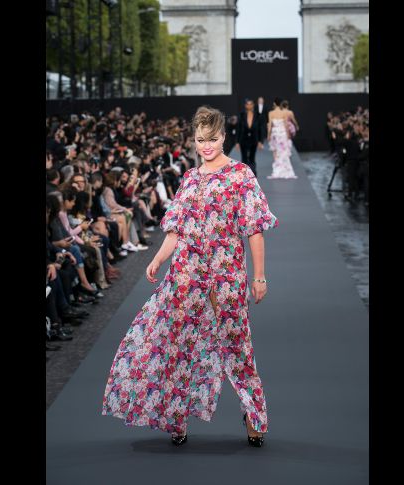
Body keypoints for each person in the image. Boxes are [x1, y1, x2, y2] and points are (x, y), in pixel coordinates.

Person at [101, 105, 278, 448]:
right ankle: (175, 417)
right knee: (179, 350)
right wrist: (156, 259)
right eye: (200, 139)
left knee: (238, 349)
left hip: (226, 277)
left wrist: (260, 278)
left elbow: (255, 231)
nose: (206, 146)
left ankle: (255, 416)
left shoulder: (241, 176)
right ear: (193, 139)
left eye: (212, 139)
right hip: (185, 275)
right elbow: (176, 231)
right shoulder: (190, 178)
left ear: (223, 137)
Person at [266, 98, 298, 179]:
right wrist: (288, 135)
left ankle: (277, 169)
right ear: (280, 104)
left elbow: (270, 125)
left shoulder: (271, 113)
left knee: (276, 151)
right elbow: (286, 125)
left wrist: (268, 135)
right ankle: (284, 169)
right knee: (284, 151)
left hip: (275, 134)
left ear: (274, 104)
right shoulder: (284, 113)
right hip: (282, 133)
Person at [235, 98, 264, 176]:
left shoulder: (258, 115)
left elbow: (260, 129)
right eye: (248, 104)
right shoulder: (241, 115)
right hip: (243, 139)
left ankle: (253, 174)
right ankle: (244, 174)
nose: (249, 106)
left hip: (254, 139)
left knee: (252, 157)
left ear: (253, 105)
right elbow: (238, 128)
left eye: (251, 104)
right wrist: (237, 142)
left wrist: (261, 141)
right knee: (244, 157)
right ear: (245, 105)